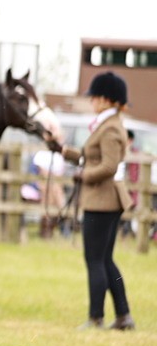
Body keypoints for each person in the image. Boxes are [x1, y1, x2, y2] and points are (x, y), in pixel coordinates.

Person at [48, 71, 135, 330]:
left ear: (107, 100)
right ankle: (123, 316)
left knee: (95, 259)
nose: (92, 101)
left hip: (102, 200)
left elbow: (108, 166)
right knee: (105, 259)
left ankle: (96, 317)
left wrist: (84, 175)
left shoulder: (110, 129)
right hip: (106, 199)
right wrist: (63, 151)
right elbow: (90, 156)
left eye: (95, 97)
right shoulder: (108, 125)